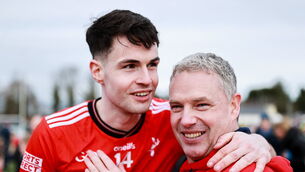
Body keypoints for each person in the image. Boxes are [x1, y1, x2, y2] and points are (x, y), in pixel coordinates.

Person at [20, 10, 273, 172]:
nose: (147, 79)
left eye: (152, 65)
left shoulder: (175, 119)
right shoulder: (54, 133)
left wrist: (261, 144)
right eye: (130, 66)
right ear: (97, 72)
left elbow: (250, 159)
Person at [168, 53, 292, 172]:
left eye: (202, 105)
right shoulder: (180, 160)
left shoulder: (251, 168)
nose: (186, 120)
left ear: (233, 106)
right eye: (176, 106)